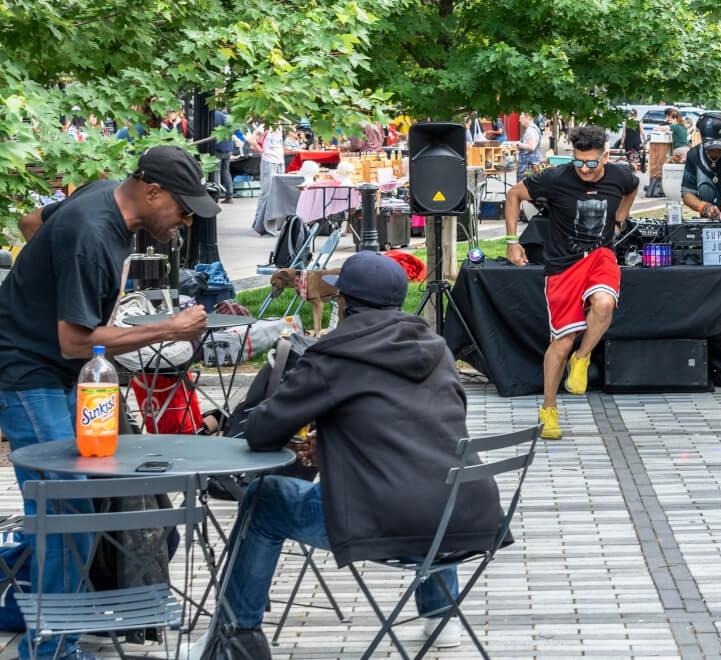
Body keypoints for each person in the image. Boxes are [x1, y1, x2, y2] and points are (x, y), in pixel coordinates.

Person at [192, 252, 506, 657]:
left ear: (345, 305)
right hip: (468, 519)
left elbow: (263, 431)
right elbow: (424, 431)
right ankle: (440, 611)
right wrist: (342, 442)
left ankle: (233, 636)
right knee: (431, 477)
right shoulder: (436, 348)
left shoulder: (337, 355)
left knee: (263, 498)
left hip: (395, 527)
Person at [0, 146, 216, 659]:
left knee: (84, 496)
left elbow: (34, 221)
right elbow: (76, 342)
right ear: (152, 192)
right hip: (29, 371)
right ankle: (50, 649)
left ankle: (55, 611)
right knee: (66, 507)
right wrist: (168, 327)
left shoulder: (103, 196)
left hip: (63, 371)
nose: (184, 221)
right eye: (182, 209)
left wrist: (49, 281)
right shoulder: (92, 237)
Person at [503, 126, 639, 440]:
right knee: (562, 341)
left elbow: (632, 188)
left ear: (605, 156)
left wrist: (621, 217)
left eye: (592, 164)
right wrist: (512, 241)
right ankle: (549, 409)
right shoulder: (555, 178)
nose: (585, 170)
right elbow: (514, 195)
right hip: (563, 266)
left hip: (600, 255)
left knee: (604, 304)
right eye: (579, 163)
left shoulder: (620, 175)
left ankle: (583, 357)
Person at [250, 121, 285, 235]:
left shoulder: (280, 126)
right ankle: (260, 223)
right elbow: (251, 140)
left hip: (279, 161)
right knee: (267, 192)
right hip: (269, 161)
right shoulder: (265, 126)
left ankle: (269, 223)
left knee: (277, 193)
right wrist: (261, 150)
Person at [212, 109, 235, 203]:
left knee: (216, 172)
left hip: (218, 147)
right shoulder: (229, 117)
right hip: (228, 148)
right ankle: (229, 195)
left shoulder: (215, 115)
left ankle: (215, 196)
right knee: (226, 171)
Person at [516, 111, 544, 181]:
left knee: (525, 189)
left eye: (521, 118)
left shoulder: (531, 130)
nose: (519, 120)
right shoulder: (533, 128)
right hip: (530, 164)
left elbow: (532, 146)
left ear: (527, 117)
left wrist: (518, 145)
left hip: (528, 166)